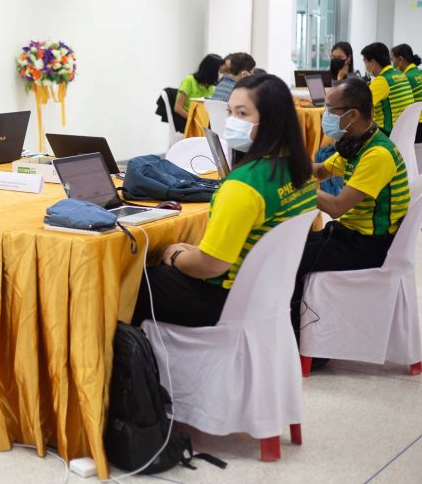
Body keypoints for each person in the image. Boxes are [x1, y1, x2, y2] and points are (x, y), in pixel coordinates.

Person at [133, 74, 317, 327]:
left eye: (242, 114)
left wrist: (174, 255)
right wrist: (192, 251)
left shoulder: (243, 185)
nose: (231, 121)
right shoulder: (301, 172)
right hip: (269, 295)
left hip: (227, 300)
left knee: (134, 282)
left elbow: (211, 266)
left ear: (272, 120)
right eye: (230, 112)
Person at [291, 77, 409, 353]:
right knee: (289, 246)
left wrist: (297, 186)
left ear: (352, 114)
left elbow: (336, 207)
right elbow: (320, 171)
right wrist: (285, 163)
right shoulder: (356, 144)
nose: (325, 115)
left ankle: (300, 346)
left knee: (290, 260)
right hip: (350, 234)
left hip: (369, 245)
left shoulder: (377, 154)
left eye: (330, 109)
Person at [361, 42, 414, 135]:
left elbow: (361, 106)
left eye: (365, 62)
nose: (365, 67)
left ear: (372, 63)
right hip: (405, 132)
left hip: (388, 134)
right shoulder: (400, 73)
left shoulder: (382, 81)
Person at [172, 53, 224, 133]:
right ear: (212, 70)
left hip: (201, 121)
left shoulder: (212, 87)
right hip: (186, 120)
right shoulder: (189, 80)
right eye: (220, 71)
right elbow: (178, 108)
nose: (221, 74)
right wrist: (193, 119)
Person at [390, 43, 422, 143]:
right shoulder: (420, 72)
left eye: (392, 60)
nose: (392, 64)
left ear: (400, 59)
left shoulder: (405, 77)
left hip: (417, 124)